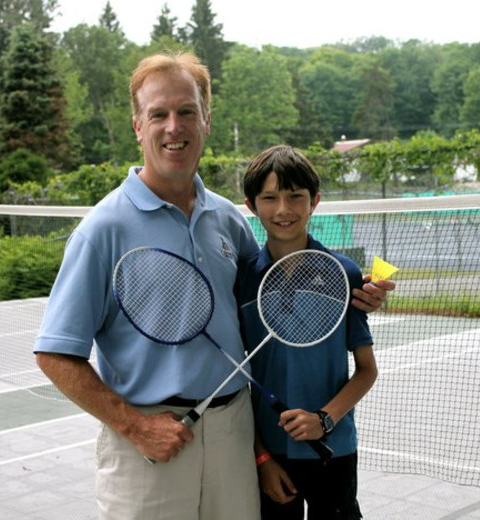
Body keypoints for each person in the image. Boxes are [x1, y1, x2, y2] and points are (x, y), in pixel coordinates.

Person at [33, 52, 392, 520]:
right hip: (152, 439)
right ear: (138, 126)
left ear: (206, 120)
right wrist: (136, 427)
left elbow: (278, 287)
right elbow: (55, 354)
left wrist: (357, 292)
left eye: (186, 111)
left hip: (235, 435)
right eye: (157, 114)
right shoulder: (102, 230)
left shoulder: (227, 220)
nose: (173, 127)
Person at [236, 145, 378, 520]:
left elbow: (367, 369)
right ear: (251, 205)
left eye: (295, 196)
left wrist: (324, 420)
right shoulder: (242, 277)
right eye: (269, 198)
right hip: (271, 453)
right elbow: (236, 383)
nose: (283, 210)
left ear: (314, 201)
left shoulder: (343, 274)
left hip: (333, 448)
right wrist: (261, 456)